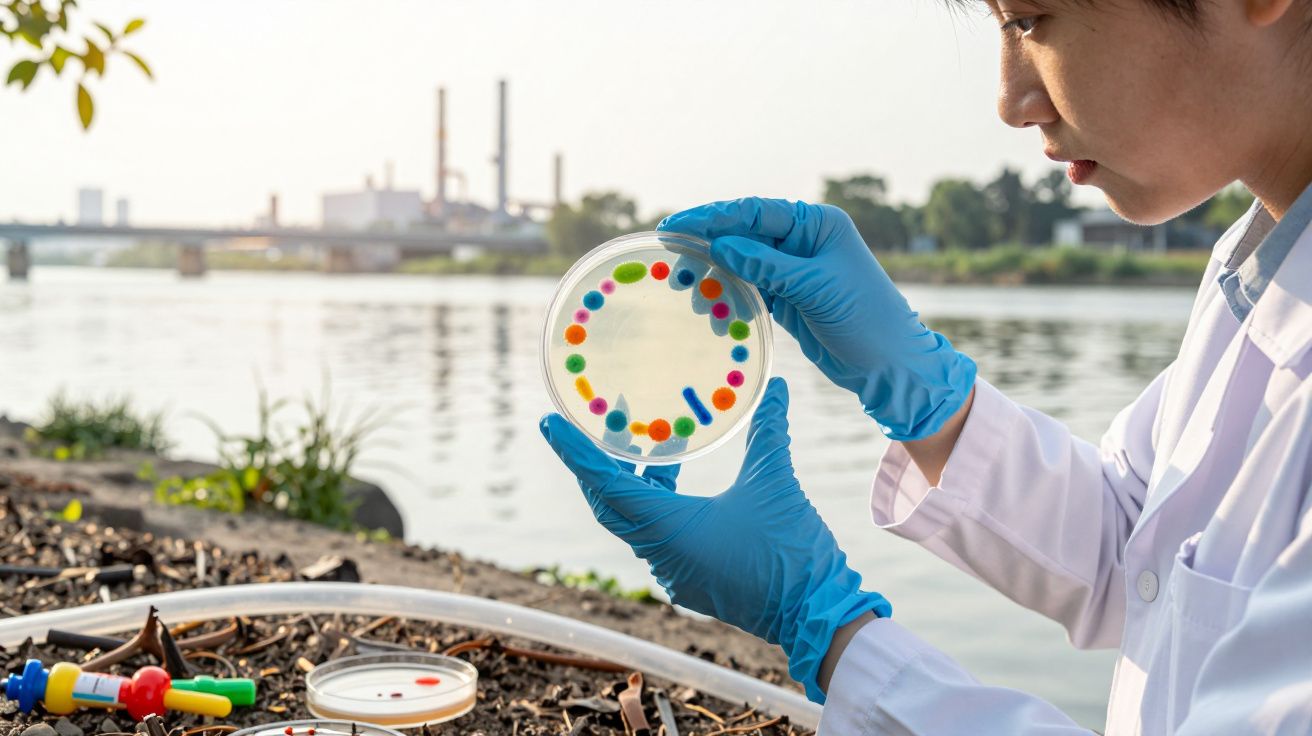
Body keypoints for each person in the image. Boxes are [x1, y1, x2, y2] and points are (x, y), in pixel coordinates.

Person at [539, 0, 1312, 731]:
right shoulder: (1261, 267)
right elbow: (1140, 553)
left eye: (1031, 20)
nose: (1011, 99)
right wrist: (928, 398)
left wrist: (826, 626)